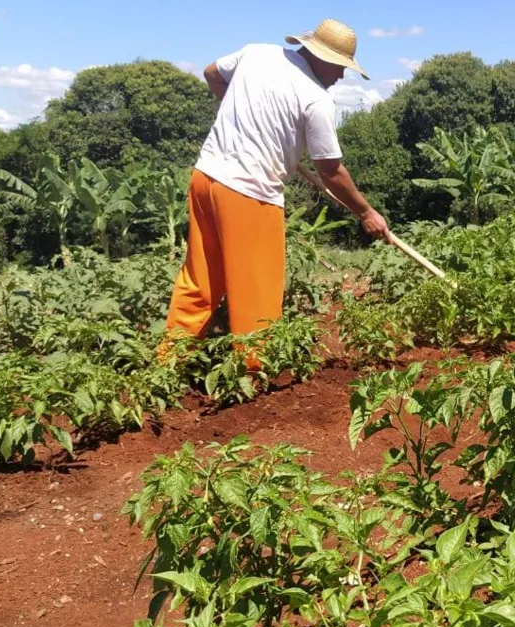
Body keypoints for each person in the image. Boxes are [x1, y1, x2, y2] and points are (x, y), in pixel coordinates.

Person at [161, 18, 389, 366]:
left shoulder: (256, 54)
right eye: (340, 68)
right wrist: (367, 213)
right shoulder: (316, 100)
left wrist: (244, 115)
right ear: (322, 57)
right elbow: (331, 171)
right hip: (249, 194)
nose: (341, 77)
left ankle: (169, 363)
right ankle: (252, 372)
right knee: (256, 289)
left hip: (205, 177)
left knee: (199, 279)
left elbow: (210, 73)